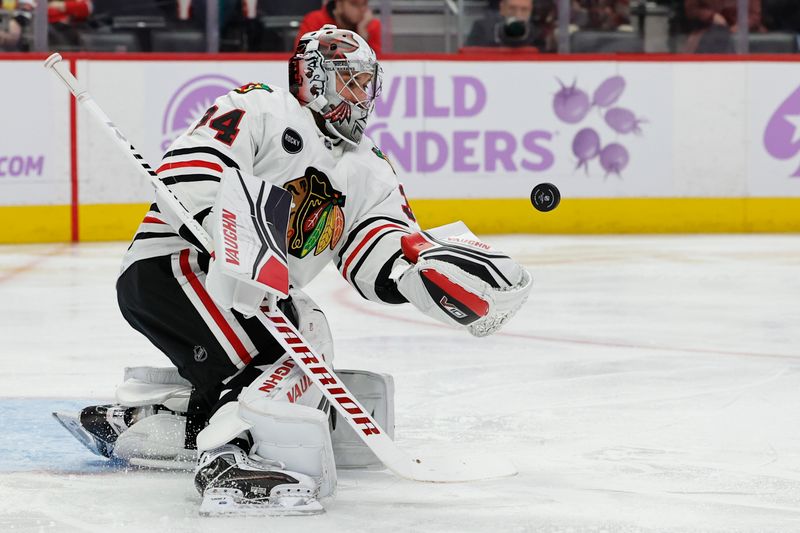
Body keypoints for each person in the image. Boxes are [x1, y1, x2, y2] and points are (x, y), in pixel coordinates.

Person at [53, 25, 531, 515]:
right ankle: (226, 461)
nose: (365, 95)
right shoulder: (262, 108)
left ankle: (144, 425)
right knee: (262, 360)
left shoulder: (370, 169)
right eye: (354, 81)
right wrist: (226, 226)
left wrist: (422, 270)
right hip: (180, 266)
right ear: (316, 78)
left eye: (368, 83)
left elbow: (373, 249)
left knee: (302, 338)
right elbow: (191, 167)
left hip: (251, 292)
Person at [296, 0, 381, 55]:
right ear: (339, 4)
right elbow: (302, 53)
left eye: (364, 4)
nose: (362, 9)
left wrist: (362, 37)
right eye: (354, 4)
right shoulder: (315, 19)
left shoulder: (370, 25)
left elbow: (379, 64)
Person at [684, 0, 765, 53]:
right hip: (708, 33)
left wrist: (741, 25)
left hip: (746, 34)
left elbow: (755, 15)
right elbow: (691, 9)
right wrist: (711, 16)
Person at [466, 0, 544, 49]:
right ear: (502, 8)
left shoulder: (536, 33)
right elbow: (469, 57)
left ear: (530, 10)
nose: (517, 14)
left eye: (524, 9)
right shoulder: (483, 28)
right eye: (512, 8)